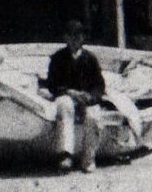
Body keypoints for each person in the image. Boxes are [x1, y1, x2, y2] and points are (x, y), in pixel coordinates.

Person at [43, 19, 114, 173]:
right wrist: (69, 92)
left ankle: (88, 159)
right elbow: (51, 84)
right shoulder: (58, 58)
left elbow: (99, 85)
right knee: (64, 106)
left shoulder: (90, 58)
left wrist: (90, 97)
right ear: (65, 38)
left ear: (83, 38)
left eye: (78, 35)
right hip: (66, 96)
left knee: (93, 116)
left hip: (86, 98)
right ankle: (65, 155)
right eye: (71, 35)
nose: (75, 39)